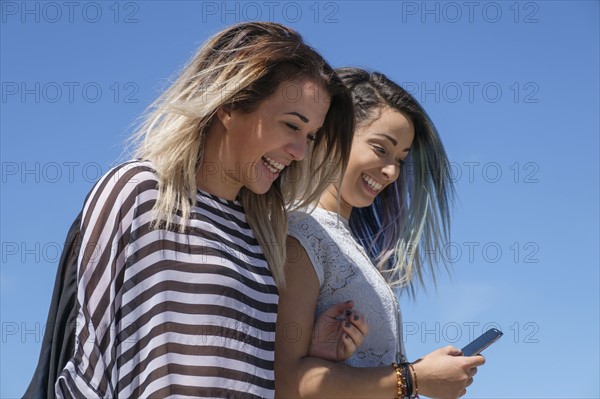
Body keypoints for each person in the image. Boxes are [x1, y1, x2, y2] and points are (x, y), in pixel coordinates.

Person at [38, 22, 360, 399]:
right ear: (230, 103)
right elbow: (88, 366)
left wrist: (314, 353)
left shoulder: (266, 236)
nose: (300, 152)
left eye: (309, 137)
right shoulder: (140, 194)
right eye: (291, 125)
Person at [275, 68, 486, 398]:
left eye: (401, 158)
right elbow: (286, 381)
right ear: (332, 133)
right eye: (381, 148)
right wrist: (414, 377)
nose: (391, 171)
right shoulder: (303, 232)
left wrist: (422, 372)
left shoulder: (341, 239)